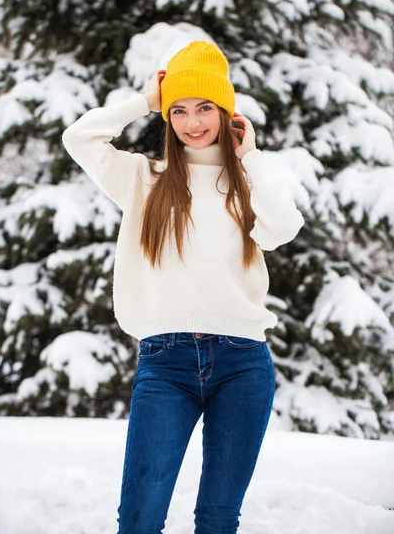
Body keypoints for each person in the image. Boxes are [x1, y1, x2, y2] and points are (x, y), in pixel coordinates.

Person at [62, 40, 304, 534]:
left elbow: (282, 230)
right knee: (139, 515)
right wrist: (142, 102)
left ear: (225, 111)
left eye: (205, 108)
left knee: (218, 517)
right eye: (179, 110)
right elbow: (78, 139)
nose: (193, 122)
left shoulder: (250, 182)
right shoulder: (144, 179)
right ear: (166, 117)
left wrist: (250, 158)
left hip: (243, 363)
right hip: (165, 362)